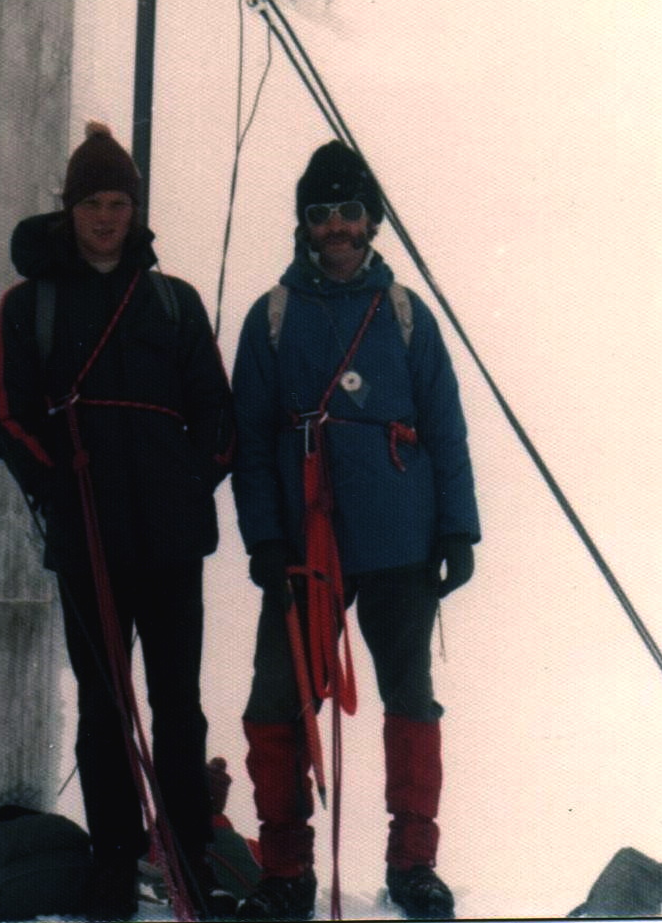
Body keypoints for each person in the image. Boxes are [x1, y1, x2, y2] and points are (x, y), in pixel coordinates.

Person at [0, 122, 235, 921]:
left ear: (135, 209)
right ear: (70, 206)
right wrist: (59, 484)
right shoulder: (33, 306)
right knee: (103, 704)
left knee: (177, 701)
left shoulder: (173, 301)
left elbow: (218, 418)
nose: (105, 216)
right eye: (92, 201)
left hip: (168, 540)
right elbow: (7, 415)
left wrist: (186, 486)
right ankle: (115, 855)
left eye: (118, 201)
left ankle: (187, 850)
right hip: (86, 533)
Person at [231, 140, 480, 921]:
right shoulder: (271, 317)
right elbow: (248, 439)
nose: (336, 227)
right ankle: (286, 872)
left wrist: (457, 528)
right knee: (277, 700)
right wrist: (264, 539)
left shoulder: (407, 315)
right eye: (320, 213)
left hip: (399, 539)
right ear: (303, 225)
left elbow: (445, 427)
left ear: (371, 220)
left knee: (411, 697)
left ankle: (414, 863)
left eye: (348, 211)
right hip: (304, 547)